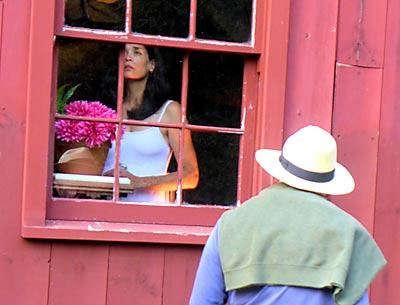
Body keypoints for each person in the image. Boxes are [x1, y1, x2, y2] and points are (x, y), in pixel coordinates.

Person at [190, 125, 386, 305]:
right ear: (328, 187)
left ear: (278, 173)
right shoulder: (348, 233)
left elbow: (203, 301)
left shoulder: (230, 224)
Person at [103, 44, 199, 203]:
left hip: (149, 212)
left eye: (137, 52)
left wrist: (138, 182)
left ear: (151, 65)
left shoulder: (169, 111)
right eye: (124, 52)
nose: (128, 57)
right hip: (103, 210)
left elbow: (191, 175)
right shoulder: (105, 110)